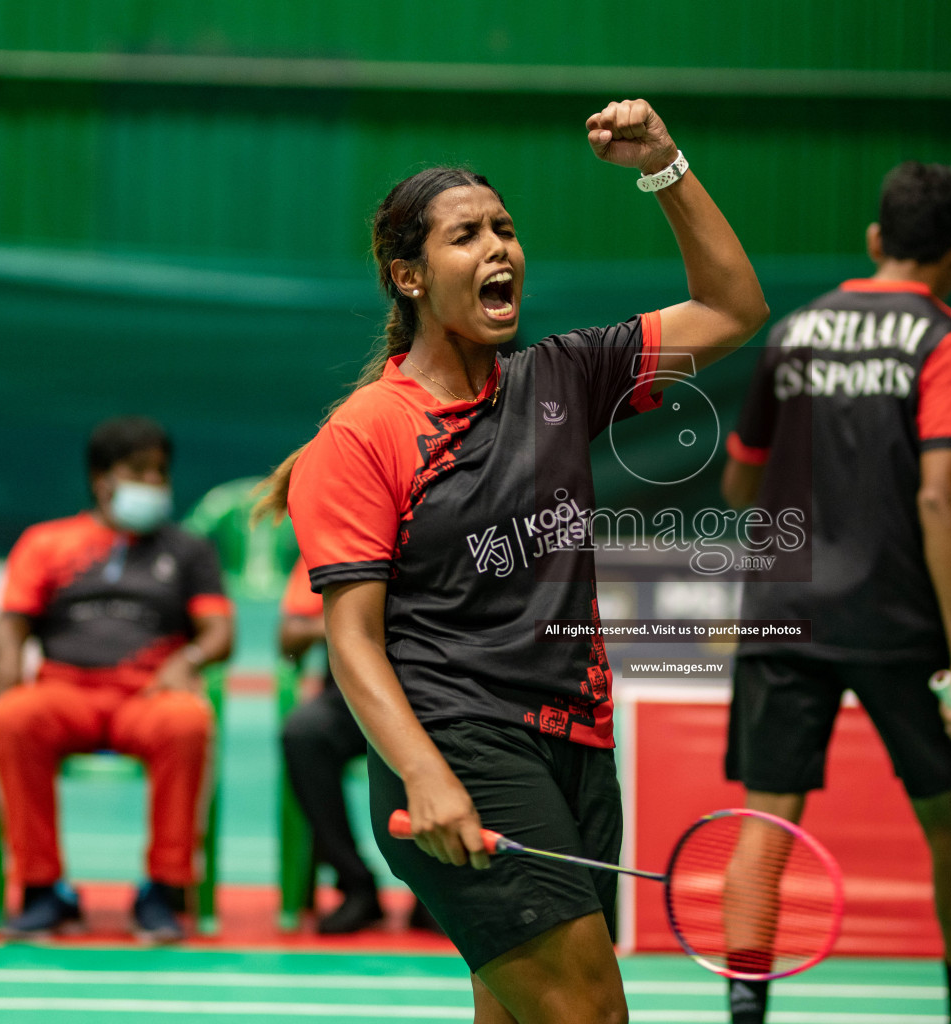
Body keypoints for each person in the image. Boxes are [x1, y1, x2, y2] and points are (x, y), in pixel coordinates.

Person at [257, 99, 765, 1022]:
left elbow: (734, 308)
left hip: (578, 744)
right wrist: (426, 775)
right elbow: (354, 644)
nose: (500, 249)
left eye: (506, 229)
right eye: (467, 236)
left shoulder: (562, 377)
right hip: (462, 746)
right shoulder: (367, 434)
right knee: (591, 1016)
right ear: (407, 276)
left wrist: (664, 164)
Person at [720, 162, 951, 1024]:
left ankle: (746, 1012)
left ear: (876, 240)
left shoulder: (794, 332)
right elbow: (941, 493)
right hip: (898, 620)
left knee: (766, 825)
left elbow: (740, 484)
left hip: (781, 608)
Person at [0, 416, 234, 941]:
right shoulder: (46, 543)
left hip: (148, 692)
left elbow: (218, 633)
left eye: (161, 473)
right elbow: (11, 623)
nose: (154, 484)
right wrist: (7, 663)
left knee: (187, 723)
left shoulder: (188, 550)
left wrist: (187, 659)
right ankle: (40, 890)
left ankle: (164, 892)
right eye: (139, 472)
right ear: (103, 480)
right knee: (14, 716)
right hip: (64, 691)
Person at [278, 557, 442, 934]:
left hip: (434, 690)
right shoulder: (333, 542)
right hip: (354, 694)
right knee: (304, 734)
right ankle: (354, 884)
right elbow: (288, 636)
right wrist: (354, 624)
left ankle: (435, 890)